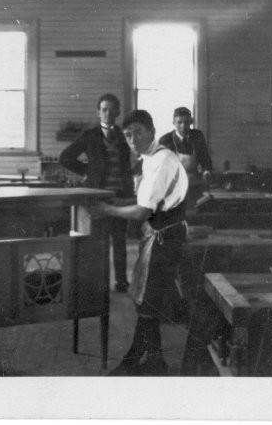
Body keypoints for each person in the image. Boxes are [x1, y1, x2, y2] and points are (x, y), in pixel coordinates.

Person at [90, 109, 189, 376]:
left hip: (166, 237)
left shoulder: (162, 161)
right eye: (128, 134)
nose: (132, 139)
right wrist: (114, 200)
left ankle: (145, 361)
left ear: (153, 132)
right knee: (146, 301)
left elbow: (143, 212)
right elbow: (144, 202)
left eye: (138, 133)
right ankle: (148, 360)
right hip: (159, 234)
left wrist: (108, 210)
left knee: (148, 301)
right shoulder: (149, 159)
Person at [59, 94, 134, 292]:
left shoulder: (125, 135)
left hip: (121, 196)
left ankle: (121, 281)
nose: (108, 114)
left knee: (119, 240)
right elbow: (65, 157)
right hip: (99, 196)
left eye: (112, 110)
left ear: (118, 112)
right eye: (104, 109)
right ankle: (98, 282)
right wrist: (87, 171)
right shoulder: (90, 136)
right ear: (98, 112)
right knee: (98, 241)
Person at [158, 106, 213, 206]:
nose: (183, 126)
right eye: (179, 123)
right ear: (173, 123)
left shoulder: (197, 136)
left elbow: (205, 159)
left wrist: (206, 172)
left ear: (191, 122)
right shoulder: (165, 140)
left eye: (186, 122)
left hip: (194, 184)